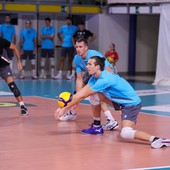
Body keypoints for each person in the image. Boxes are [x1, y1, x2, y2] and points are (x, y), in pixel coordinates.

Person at [55, 56, 170, 149]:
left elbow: (84, 94)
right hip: (117, 101)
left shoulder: (105, 79)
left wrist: (65, 108)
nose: (87, 66)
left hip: (131, 104)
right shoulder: (93, 78)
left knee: (125, 133)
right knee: (95, 95)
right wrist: (66, 107)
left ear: (97, 67)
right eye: (87, 64)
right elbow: (80, 94)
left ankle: (157, 140)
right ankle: (96, 126)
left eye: (90, 64)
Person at [58, 38, 119, 131]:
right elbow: (79, 79)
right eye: (76, 47)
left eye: (80, 47)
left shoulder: (95, 56)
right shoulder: (77, 58)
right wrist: (77, 97)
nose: (78, 49)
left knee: (97, 95)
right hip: (92, 75)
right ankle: (72, 112)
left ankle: (111, 120)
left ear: (86, 47)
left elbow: (108, 69)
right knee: (78, 93)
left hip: (106, 75)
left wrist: (103, 84)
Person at [0, 37, 28, 115]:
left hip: (4, 67)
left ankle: (23, 106)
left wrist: (19, 62)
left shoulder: (1, 41)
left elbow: (14, 47)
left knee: (12, 86)